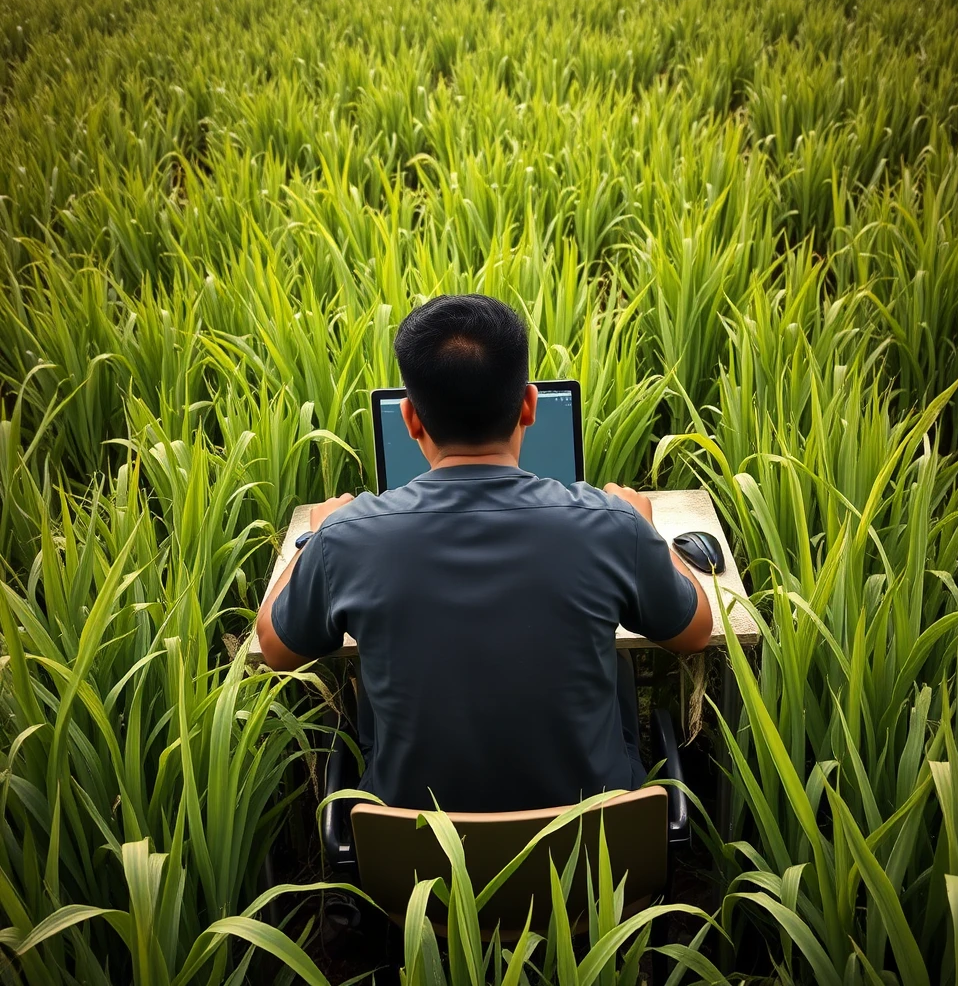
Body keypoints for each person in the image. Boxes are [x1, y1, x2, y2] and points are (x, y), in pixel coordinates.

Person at [256, 294, 712, 811]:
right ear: (529, 405)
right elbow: (695, 633)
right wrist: (644, 526)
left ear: (409, 418)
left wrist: (319, 535)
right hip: (593, 861)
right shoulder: (612, 526)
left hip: (421, 868)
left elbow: (274, 647)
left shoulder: (347, 538)